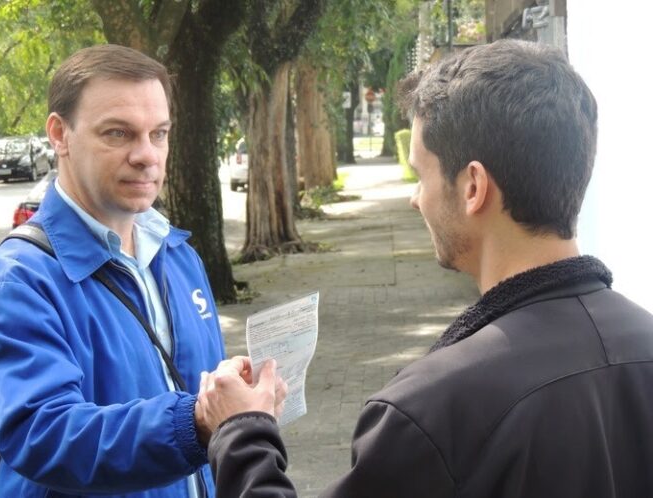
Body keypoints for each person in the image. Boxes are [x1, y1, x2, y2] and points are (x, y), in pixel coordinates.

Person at [195, 39, 653, 497]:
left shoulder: (434, 409)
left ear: (473, 186)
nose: (416, 198)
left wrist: (241, 431)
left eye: (421, 175)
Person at [0, 44, 226, 497]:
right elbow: (42, 434)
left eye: (159, 133)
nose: (147, 155)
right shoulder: (21, 280)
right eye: (118, 134)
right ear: (59, 134)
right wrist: (198, 421)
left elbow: (200, 398)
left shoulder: (178, 255)